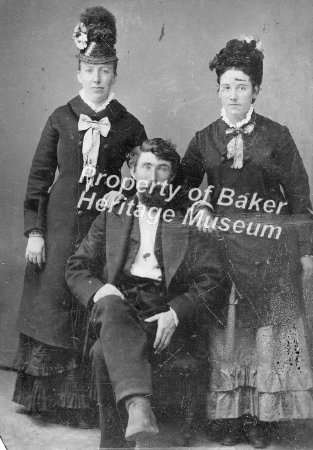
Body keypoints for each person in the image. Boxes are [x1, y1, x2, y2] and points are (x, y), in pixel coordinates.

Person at [13, 6, 147, 426]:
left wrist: (121, 194)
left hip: (101, 230)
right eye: (89, 69)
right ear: (78, 71)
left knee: (92, 302)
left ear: (115, 72)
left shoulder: (128, 124)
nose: (96, 78)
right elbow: (38, 177)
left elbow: (142, 178)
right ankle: (49, 404)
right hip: (57, 226)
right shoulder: (60, 116)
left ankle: (90, 406)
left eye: (104, 70)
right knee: (54, 304)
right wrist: (34, 231)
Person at [179, 38, 313, 448]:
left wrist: (306, 251)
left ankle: (263, 417)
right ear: (217, 90)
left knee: (265, 337)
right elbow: (180, 187)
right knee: (230, 336)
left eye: (241, 85)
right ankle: (229, 415)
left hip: (271, 250)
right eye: (226, 86)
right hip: (223, 251)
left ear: (255, 89)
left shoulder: (277, 135)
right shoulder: (205, 138)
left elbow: (300, 196)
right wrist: (200, 202)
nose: (233, 94)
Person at [65, 138, 225, 448]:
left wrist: (176, 312)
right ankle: (137, 410)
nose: (153, 178)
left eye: (162, 170)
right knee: (109, 303)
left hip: (161, 313)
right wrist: (99, 291)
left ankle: (123, 432)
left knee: (103, 350)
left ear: (172, 176)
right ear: (133, 172)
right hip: (120, 306)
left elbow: (212, 278)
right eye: (147, 167)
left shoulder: (187, 217)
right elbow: (76, 266)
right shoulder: (114, 213)